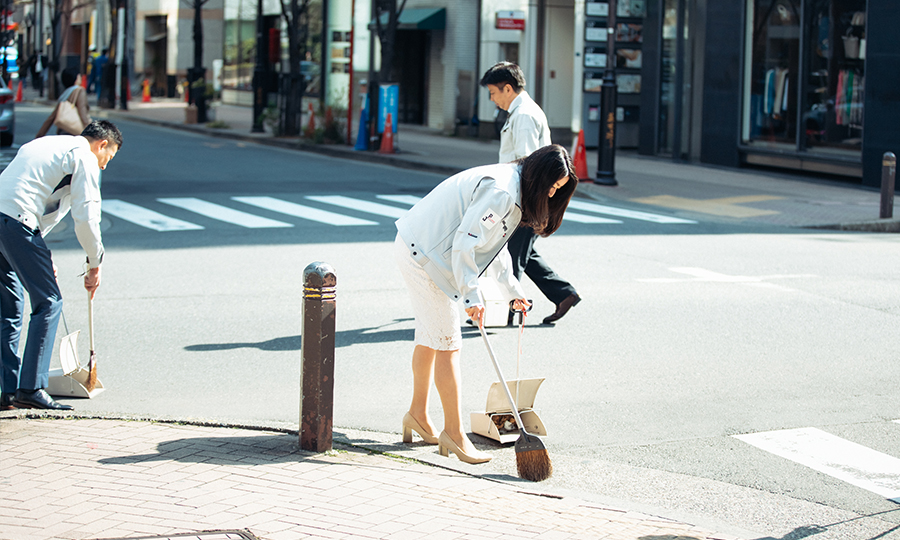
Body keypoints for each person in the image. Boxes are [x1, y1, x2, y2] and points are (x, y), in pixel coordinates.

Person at [394, 144, 577, 463]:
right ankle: (454, 433)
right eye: (551, 186)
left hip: (420, 246)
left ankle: (417, 415)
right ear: (539, 176)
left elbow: (494, 248)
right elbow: (466, 243)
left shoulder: (512, 187)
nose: (550, 195)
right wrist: (471, 297)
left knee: (430, 339)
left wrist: (512, 292)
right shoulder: (503, 192)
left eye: (557, 190)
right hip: (425, 255)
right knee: (449, 344)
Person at [0, 120, 122, 411]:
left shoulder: (47, 144)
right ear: (102, 144)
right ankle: (31, 387)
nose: (105, 166)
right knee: (49, 302)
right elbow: (87, 215)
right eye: (109, 157)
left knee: (11, 309)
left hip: (6, 219)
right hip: (18, 222)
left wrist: (38, 253)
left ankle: (8, 390)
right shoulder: (84, 156)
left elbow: (42, 202)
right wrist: (95, 263)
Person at [480, 61, 582, 325]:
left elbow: (527, 162)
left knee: (512, 253)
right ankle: (563, 294)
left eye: (493, 92)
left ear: (507, 88)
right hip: (526, 196)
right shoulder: (521, 111)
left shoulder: (524, 115)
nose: (492, 99)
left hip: (525, 197)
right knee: (522, 251)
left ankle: (508, 310)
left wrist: (517, 202)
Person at [36, 67, 92, 138]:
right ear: (76, 79)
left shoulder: (64, 95)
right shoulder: (80, 91)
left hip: (62, 132)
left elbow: (51, 118)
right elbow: (82, 112)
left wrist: (39, 135)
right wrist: (90, 131)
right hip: (74, 132)